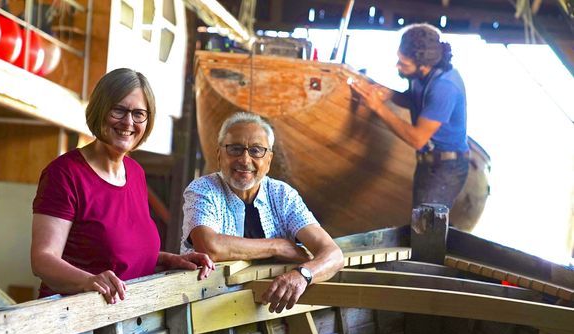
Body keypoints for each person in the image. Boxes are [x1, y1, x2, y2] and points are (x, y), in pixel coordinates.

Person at [31, 68, 214, 304]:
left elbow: (119, 253)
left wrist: (168, 259)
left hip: (122, 321)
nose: (128, 122)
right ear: (100, 110)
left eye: (139, 114)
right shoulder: (64, 173)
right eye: (119, 110)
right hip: (71, 324)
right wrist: (89, 281)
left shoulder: (135, 173)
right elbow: (42, 259)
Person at [181, 112, 344, 313]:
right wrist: (278, 246)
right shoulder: (203, 189)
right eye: (235, 149)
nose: (244, 159)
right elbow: (210, 247)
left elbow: (334, 255)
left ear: (268, 160)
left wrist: (302, 275)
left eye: (256, 151)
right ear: (219, 155)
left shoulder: (282, 195)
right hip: (205, 308)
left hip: (267, 309)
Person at [350, 23, 469, 209]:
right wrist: (388, 93)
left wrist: (378, 107)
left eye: (403, 63)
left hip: (447, 167)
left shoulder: (444, 87)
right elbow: (415, 100)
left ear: (423, 65)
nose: (397, 65)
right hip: (427, 163)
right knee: (421, 223)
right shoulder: (420, 77)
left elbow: (417, 139)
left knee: (427, 226)